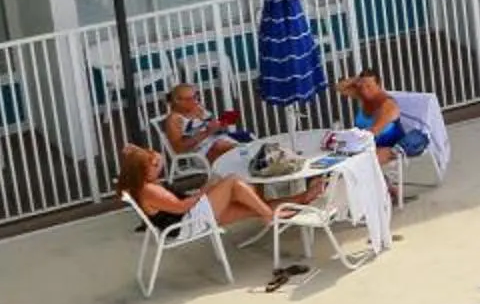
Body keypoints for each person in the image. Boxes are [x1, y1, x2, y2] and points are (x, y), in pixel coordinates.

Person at [113, 140, 303, 231]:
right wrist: (206, 188)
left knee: (251, 206)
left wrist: (139, 152)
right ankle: (270, 216)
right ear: (140, 170)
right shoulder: (149, 190)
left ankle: (303, 199)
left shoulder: (141, 183)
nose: (157, 165)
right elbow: (181, 207)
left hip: (190, 214)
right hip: (188, 223)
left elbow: (159, 158)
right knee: (233, 181)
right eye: (152, 165)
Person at [337, 68, 429, 186]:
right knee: (344, 161)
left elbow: (374, 131)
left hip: (389, 146)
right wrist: (357, 80)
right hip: (367, 144)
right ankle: (386, 187)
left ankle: (385, 189)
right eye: (362, 87)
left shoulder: (387, 105)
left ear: (379, 85)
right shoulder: (363, 97)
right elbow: (339, 87)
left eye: (369, 86)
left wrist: (350, 140)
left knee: (356, 164)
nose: (365, 91)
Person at [156, 83, 253, 178]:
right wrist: (207, 132)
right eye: (191, 98)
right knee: (222, 146)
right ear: (178, 101)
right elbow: (179, 148)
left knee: (229, 144)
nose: (196, 100)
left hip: (221, 141)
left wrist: (221, 124)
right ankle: (251, 154)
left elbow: (212, 126)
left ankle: (250, 157)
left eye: (196, 96)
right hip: (200, 154)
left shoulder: (198, 109)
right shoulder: (174, 119)